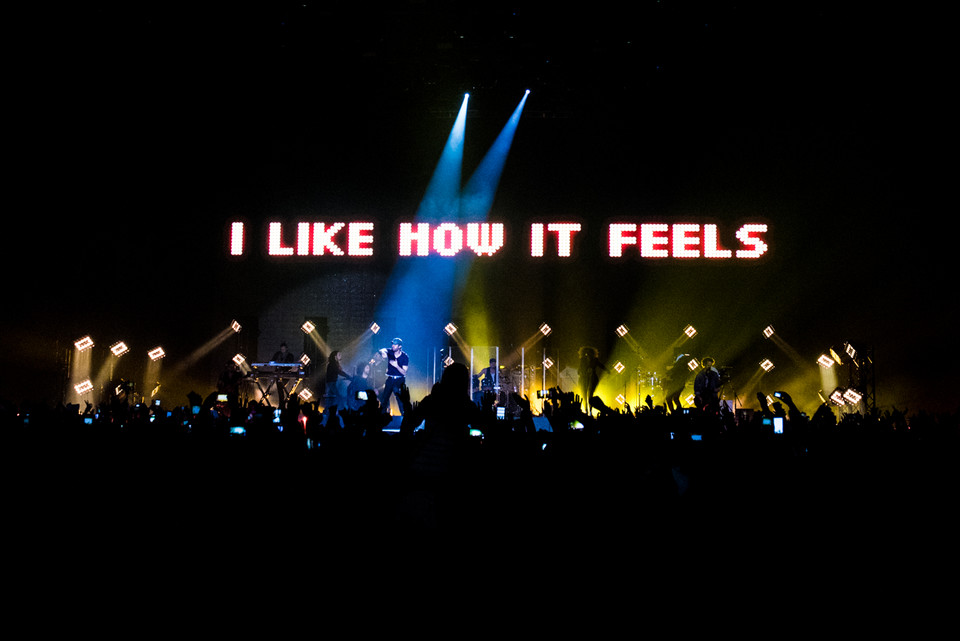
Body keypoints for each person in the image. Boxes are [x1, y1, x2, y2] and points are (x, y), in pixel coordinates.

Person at [381, 338, 409, 415]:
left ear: (399, 346)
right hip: (390, 379)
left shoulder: (404, 357)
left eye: (395, 344)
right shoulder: (390, 352)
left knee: (400, 400)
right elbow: (382, 350)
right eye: (392, 344)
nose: (392, 345)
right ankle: (381, 420)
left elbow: (404, 372)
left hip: (399, 380)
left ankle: (404, 418)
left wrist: (396, 366)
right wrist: (383, 353)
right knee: (384, 399)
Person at [578, 346, 607, 413]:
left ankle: (589, 410)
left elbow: (601, 365)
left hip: (591, 378)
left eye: (589, 353)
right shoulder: (583, 360)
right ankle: (586, 410)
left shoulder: (594, 360)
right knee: (584, 394)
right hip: (584, 378)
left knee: (589, 395)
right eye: (586, 353)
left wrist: (607, 370)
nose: (587, 354)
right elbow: (580, 368)